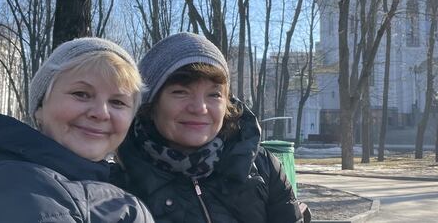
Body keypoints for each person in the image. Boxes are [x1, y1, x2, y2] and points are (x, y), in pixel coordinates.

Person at [0, 37, 154, 223]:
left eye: (118, 102)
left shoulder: (85, 181)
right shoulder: (14, 185)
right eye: (81, 94)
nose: (101, 112)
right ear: (39, 108)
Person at [117, 32, 305, 223]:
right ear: (150, 104)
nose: (200, 108)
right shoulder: (118, 183)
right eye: (181, 92)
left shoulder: (262, 166)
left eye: (214, 94)